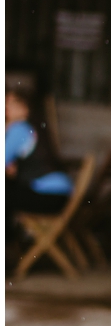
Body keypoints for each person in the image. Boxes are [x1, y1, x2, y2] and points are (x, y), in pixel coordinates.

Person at [6, 82, 72, 246]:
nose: (6, 106)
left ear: (26, 108)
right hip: (59, 196)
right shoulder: (36, 128)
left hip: (46, 196)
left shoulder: (19, 128)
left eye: (13, 103)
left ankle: (7, 248)